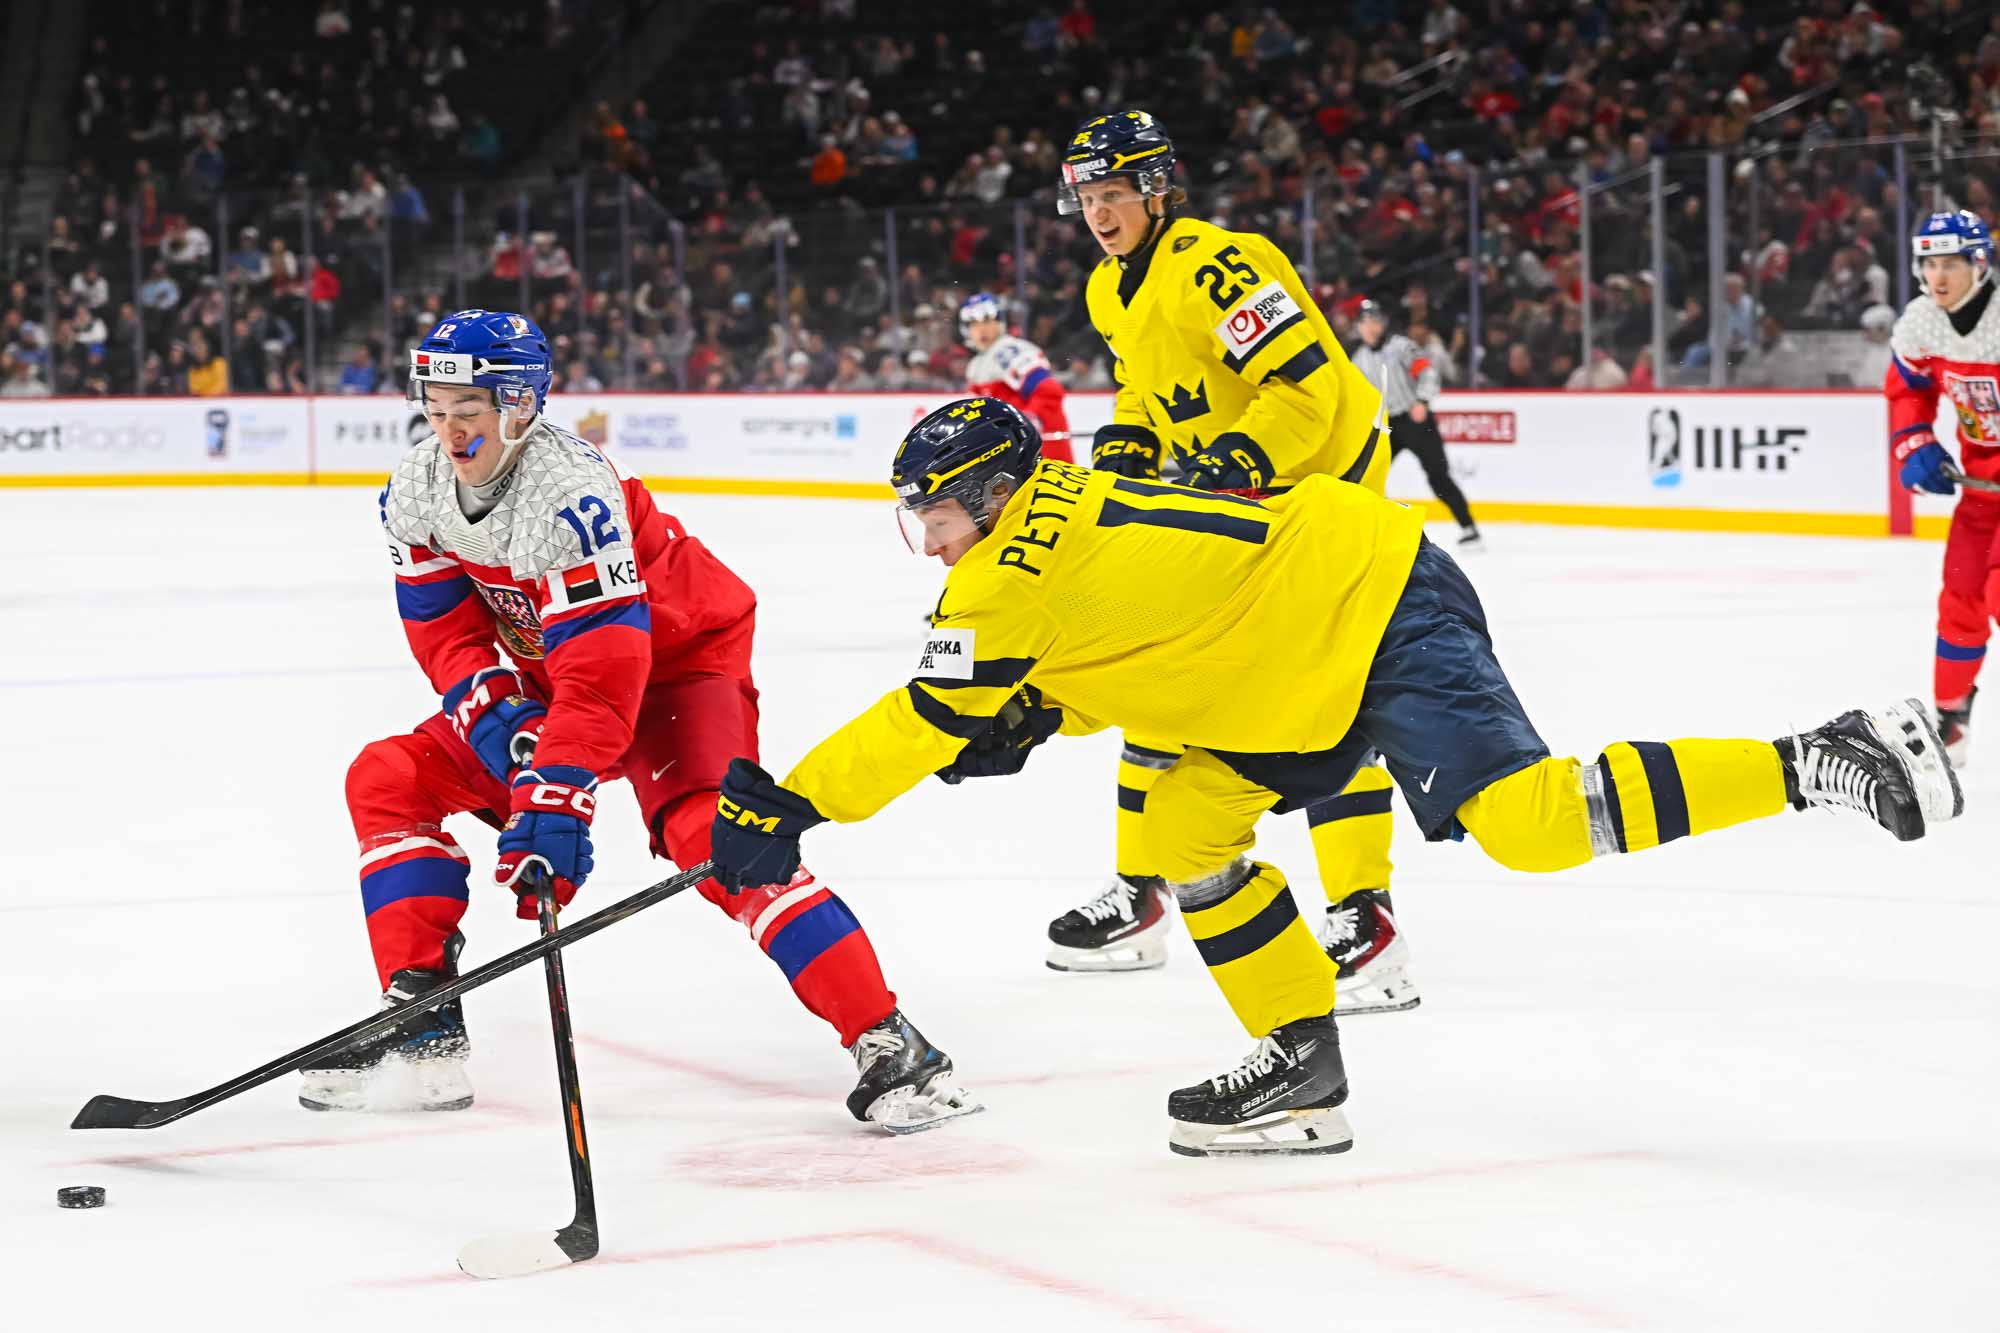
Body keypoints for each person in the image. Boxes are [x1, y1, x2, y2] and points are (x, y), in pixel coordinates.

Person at [707, 398, 1961, 1157]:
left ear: (989, 498)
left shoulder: (1000, 580)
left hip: (1367, 607)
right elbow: (1136, 633)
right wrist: (1041, 708)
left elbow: (919, 721)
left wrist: (793, 802)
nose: (927, 542)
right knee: (1183, 833)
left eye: (932, 516)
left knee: (1527, 824)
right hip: (1281, 656)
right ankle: (1299, 1062)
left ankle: (1823, 755)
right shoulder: (1062, 515)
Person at [302, 309, 978, 1135]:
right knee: (390, 777)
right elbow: (443, 626)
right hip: (561, 671)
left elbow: (605, 678)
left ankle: (889, 1038)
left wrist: (555, 792)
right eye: (436, 408)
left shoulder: (571, 494)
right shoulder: (417, 487)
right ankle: (423, 1024)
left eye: (468, 409)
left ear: (519, 405)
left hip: (679, 666)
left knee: (714, 833)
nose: (450, 429)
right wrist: (496, 715)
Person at [1042, 110, 1416, 1017]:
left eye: (1115, 193)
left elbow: (1307, 387)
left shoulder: (1220, 263)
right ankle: (1142, 890)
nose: (1100, 213)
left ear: (1157, 190)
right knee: (1154, 671)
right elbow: (1146, 386)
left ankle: (1366, 917)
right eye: (1087, 197)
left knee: (1324, 698)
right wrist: (1127, 446)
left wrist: (1233, 461)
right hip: (1236, 499)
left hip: (1322, 496)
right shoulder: (1107, 287)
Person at [1888, 210, 2000, 768]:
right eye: (1929, 264)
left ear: (1979, 264)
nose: (1938, 276)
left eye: (1951, 264)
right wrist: (1915, 444)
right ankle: (1950, 720)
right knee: (1960, 595)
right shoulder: (1923, 323)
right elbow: (1908, 391)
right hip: (1982, 496)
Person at [1350, 299, 1482, 548]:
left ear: (1383, 323)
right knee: (1368, 477)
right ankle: (1381, 529)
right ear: (1358, 327)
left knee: (1438, 476)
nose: (1371, 327)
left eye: (1375, 321)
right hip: (1385, 425)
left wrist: (1422, 400)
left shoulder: (1401, 346)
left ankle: (1468, 527)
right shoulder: (1358, 359)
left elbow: (1427, 372)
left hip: (1415, 420)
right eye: (1366, 322)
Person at [958, 292, 1074, 463]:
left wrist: (1025, 425)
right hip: (1013, 456)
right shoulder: (976, 365)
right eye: (974, 324)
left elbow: (1049, 391)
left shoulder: (1010, 351)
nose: (982, 329)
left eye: (988, 321)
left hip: (1042, 453)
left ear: (1000, 322)